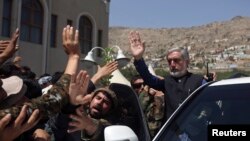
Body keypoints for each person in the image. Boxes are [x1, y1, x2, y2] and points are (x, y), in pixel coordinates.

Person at [129, 31, 216, 122]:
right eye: (169, 61)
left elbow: (213, 103)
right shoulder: (166, 82)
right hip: (171, 133)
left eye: (176, 60)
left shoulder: (199, 81)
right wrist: (138, 59)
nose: (172, 64)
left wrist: (211, 82)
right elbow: (149, 78)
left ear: (187, 62)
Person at [52, 87, 118, 141]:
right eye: (98, 98)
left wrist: (89, 125)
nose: (100, 103)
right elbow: (56, 130)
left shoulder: (112, 129)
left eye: (106, 102)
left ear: (110, 109)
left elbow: (104, 131)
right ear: (90, 101)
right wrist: (70, 106)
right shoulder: (75, 114)